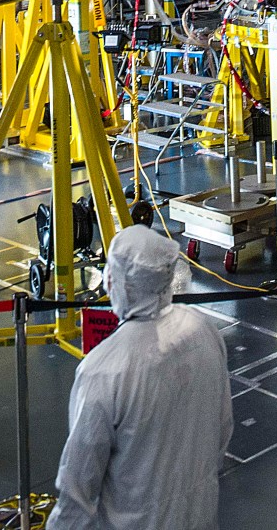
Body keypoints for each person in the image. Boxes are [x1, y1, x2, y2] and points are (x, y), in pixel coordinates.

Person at [49, 223, 234, 530]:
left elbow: (78, 488)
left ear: (119, 283)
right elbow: (222, 430)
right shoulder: (203, 330)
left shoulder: (102, 370)